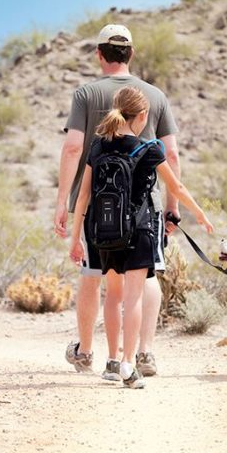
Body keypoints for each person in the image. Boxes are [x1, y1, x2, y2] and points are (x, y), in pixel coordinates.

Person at [55, 24, 181, 377]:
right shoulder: (154, 95)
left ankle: (87, 352)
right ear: (132, 54)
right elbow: (170, 153)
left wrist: (63, 200)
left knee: (95, 275)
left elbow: (73, 147)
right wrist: (173, 205)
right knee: (147, 276)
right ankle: (143, 353)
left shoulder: (85, 94)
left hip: (99, 206)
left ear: (99, 54)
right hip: (145, 206)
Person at [69, 86, 213, 388]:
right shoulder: (150, 149)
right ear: (143, 115)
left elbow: (83, 197)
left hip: (103, 232)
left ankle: (111, 361)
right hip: (139, 231)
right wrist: (199, 214)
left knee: (113, 295)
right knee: (133, 297)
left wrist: (75, 238)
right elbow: (176, 188)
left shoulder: (97, 147)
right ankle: (128, 365)